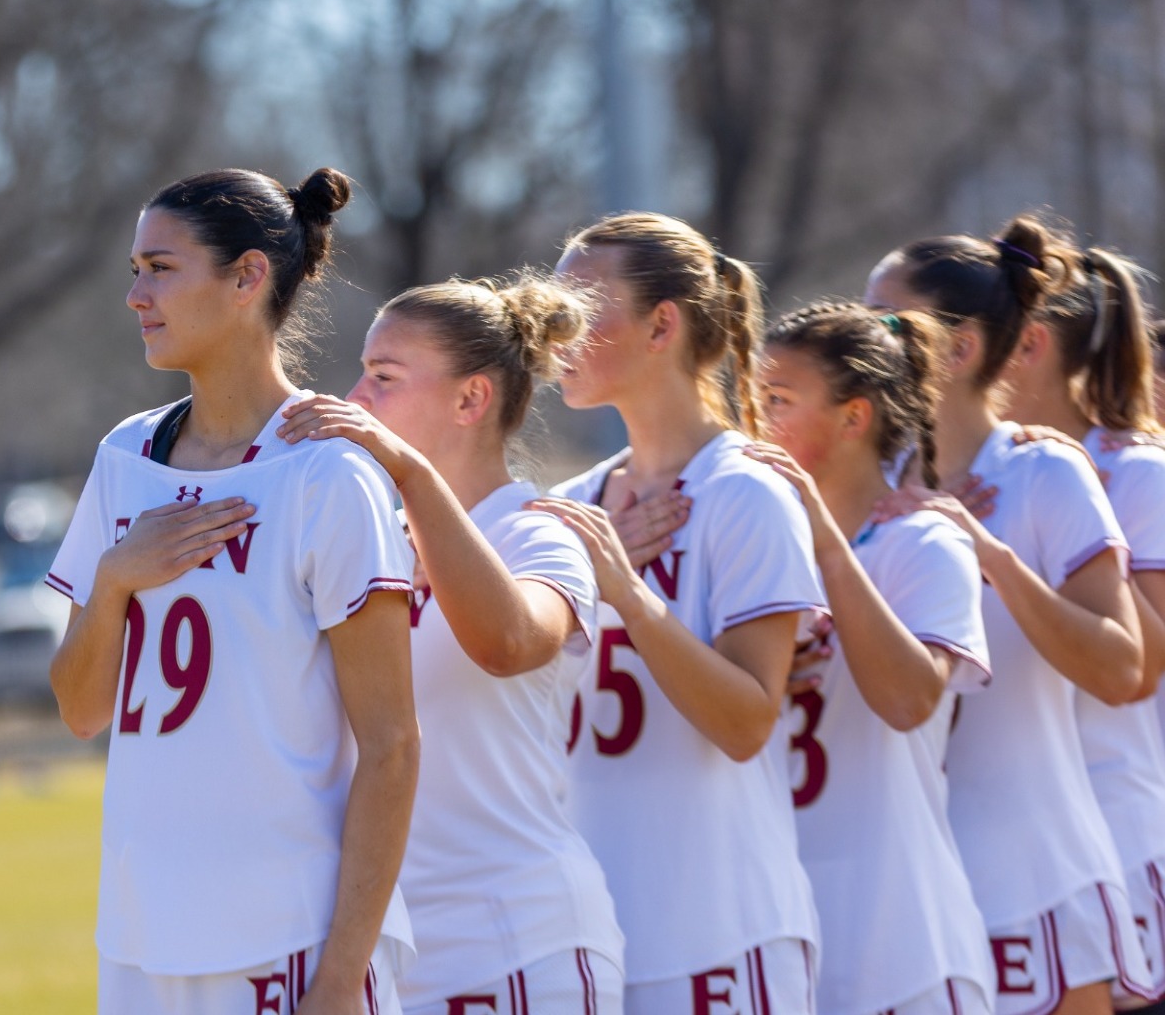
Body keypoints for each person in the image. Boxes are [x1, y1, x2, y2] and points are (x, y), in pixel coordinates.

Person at [47, 167, 417, 1015]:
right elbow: (79, 709)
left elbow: (393, 746)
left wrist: (339, 977)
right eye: (135, 270)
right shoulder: (125, 458)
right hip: (142, 934)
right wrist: (113, 583)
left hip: (283, 936)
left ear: (248, 277)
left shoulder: (328, 475)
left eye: (161, 268)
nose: (137, 294)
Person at [274, 271, 625, 1014]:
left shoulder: (539, 530)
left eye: (384, 378)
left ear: (471, 400)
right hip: (398, 953)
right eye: (363, 373)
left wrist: (409, 470)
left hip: (520, 945)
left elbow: (507, 641)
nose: (357, 397)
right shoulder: (374, 541)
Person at [529, 212, 825, 1015]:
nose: (557, 329)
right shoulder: (571, 504)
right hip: (590, 940)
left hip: (718, 934)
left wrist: (626, 593)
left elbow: (746, 721)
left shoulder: (745, 491)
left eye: (582, 307)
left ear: (663, 324)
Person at [865, 216, 1145, 1015]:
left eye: (887, 320)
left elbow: (1122, 668)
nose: (865, 336)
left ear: (959, 350)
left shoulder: (1043, 470)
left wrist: (987, 552)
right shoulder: (868, 479)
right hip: (911, 877)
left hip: (1031, 871)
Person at [749, 301, 995, 1015]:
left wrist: (825, 544)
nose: (758, 419)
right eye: (756, 398)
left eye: (780, 401)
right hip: (774, 926)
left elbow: (910, 701)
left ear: (854, 418)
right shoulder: (756, 539)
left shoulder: (923, 543)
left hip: (900, 941)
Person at [984, 241, 1165, 1009]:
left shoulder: (1132, 471)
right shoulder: (975, 473)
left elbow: (1142, 668)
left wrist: (1076, 525)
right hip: (1006, 848)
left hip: (1115, 833)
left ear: (1027, 343)